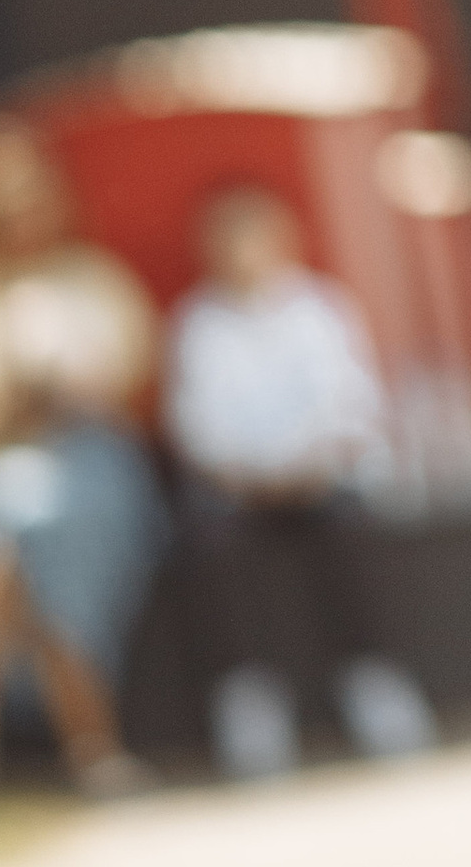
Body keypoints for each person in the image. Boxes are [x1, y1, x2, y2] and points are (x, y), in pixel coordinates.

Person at [0, 116, 164, 795]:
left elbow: (136, 385)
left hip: (89, 469)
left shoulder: (90, 279)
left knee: (29, 519)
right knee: (19, 517)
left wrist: (67, 393)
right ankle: (96, 749)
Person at [162, 186, 436, 783]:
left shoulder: (320, 308)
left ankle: (374, 680)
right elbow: (196, 425)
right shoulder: (195, 325)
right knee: (212, 547)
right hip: (237, 490)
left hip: (321, 479)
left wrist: (306, 465)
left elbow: (349, 403)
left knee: (350, 530)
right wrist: (248, 474)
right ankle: (249, 699)